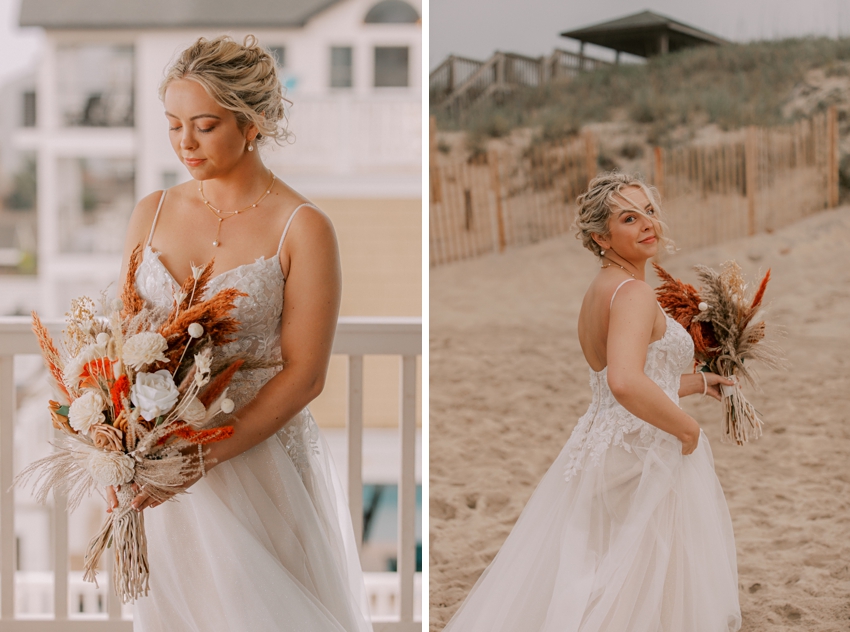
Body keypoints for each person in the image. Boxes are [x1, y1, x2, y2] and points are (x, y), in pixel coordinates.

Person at [110, 35, 373, 632]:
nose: (184, 142)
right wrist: (123, 451)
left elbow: (304, 376)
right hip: (162, 466)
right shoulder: (149, 210)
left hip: (258, 461)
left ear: (251, 123)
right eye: (173, 124)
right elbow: (122, 347)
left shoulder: (304, 228)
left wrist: (203, 457)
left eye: (204, 125)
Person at [442, 173, 742, 632]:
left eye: (649, 212)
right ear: (601, 237)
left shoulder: (599, 291)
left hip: (602, 447)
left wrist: (700, 385)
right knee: (634, 582)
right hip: (641, 452)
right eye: (629, 217)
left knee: (602, 572)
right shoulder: (634, 293)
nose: (648, 224)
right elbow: (624, 382)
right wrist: (688, 430)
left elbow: (623, 383)